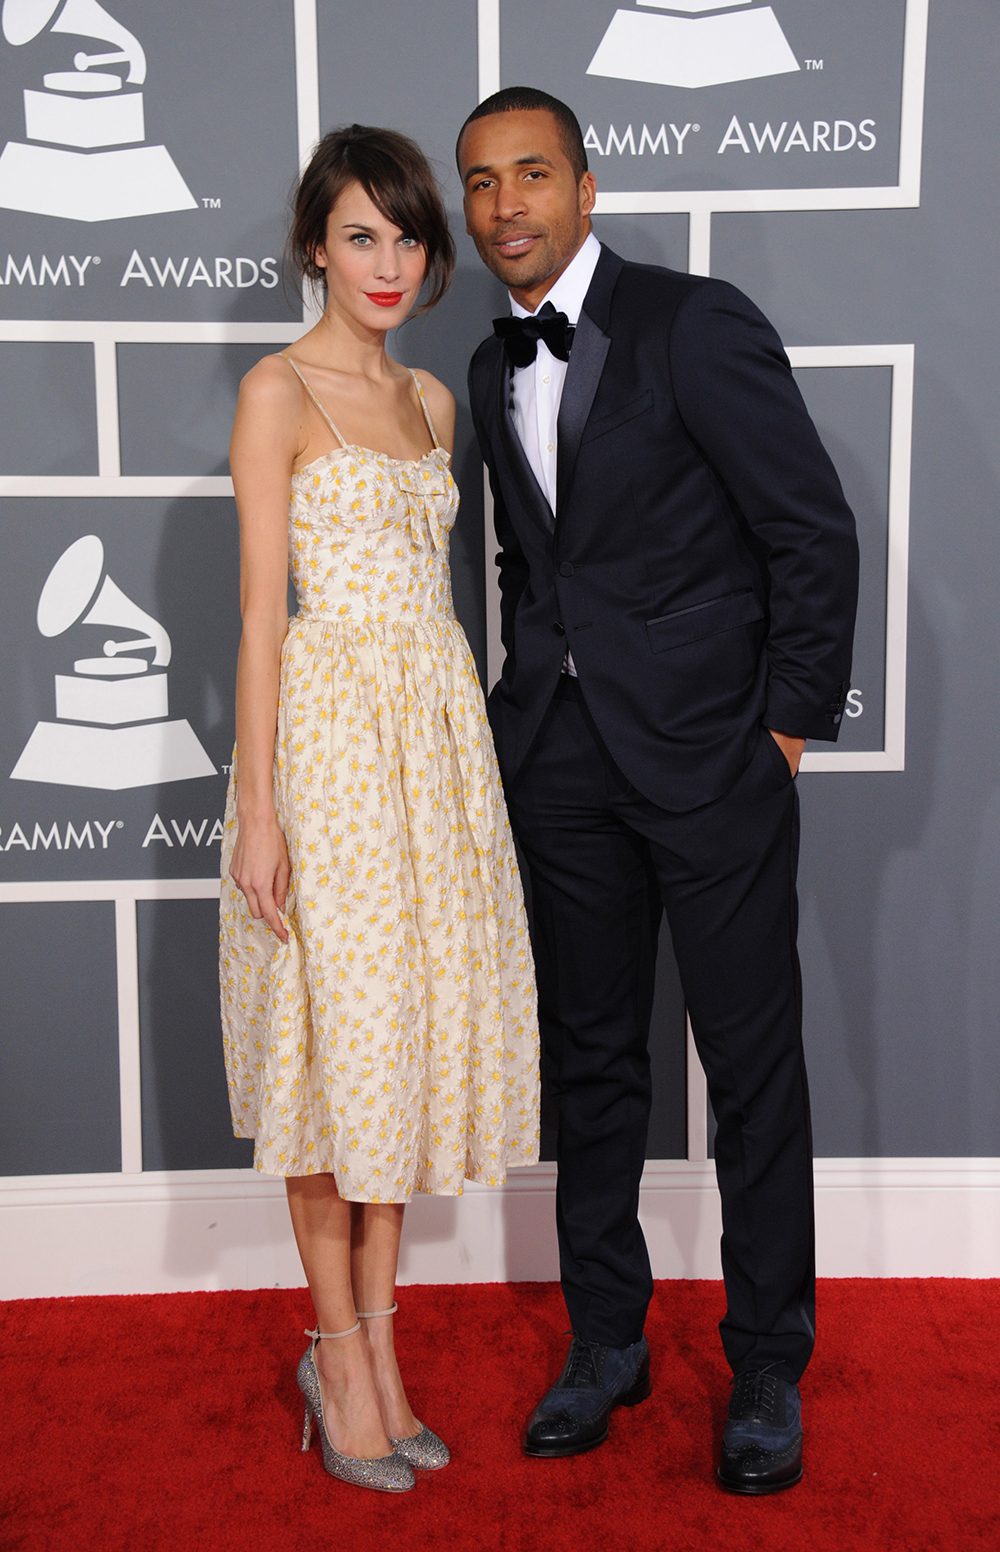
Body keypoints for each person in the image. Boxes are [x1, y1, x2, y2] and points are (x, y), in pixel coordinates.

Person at [459, 87, 858, 1493]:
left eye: (529, 175)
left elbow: (809, 527)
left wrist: (788, 728)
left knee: (750, 1071)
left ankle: (763, 1367)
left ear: (582, 182)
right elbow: (532, 571)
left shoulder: (694, 320)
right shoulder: (487, 364)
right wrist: (523, 721)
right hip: (560, 768)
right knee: (595, 1065)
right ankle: (608, 1344)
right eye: (480, 183)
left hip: (711, 756)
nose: (504, 205)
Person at [219, 123, 539, 1495]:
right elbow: (255, 616)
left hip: (436, 752)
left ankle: (384, 1357)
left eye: (410, 237)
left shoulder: (434, 403)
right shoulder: (277, 393)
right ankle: (334, 1357)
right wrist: (259, 810)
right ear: (315, 246)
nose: (391, 261)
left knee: (394, 1061)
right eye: (362, 235)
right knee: (323, 1068)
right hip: (328, 754)